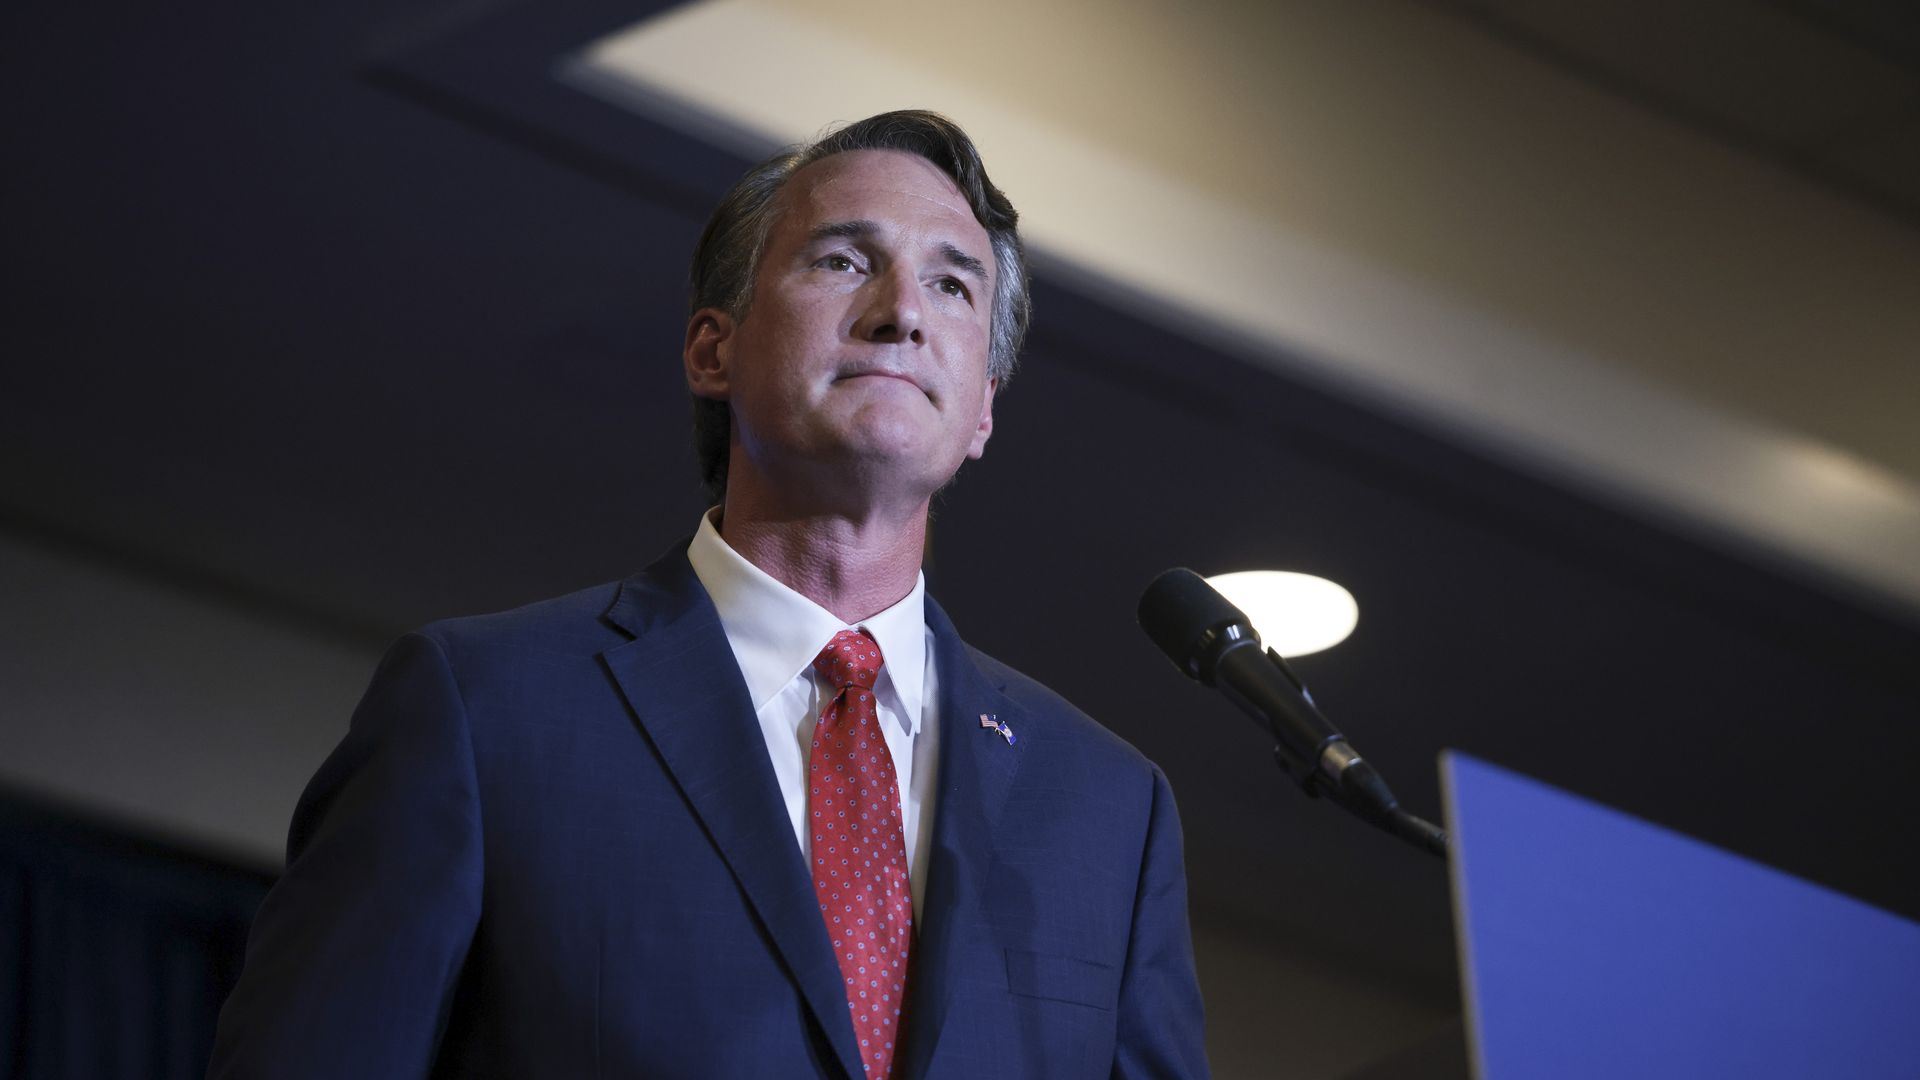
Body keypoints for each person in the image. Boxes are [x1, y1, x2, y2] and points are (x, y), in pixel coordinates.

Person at [208, 109, 1208, 1079]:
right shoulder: (485, 711)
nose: (902, 311)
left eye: (954, 286)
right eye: (844, 261)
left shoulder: (1109, 812)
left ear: (984, 409)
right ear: (711, 351)